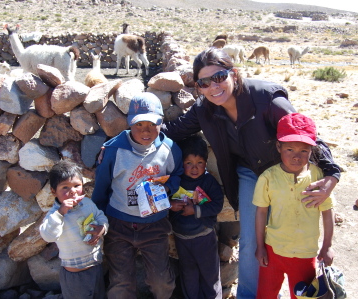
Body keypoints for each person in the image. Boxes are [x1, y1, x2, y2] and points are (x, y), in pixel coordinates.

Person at [161, 47, 341, 298]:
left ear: (233, 73)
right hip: (249, 174)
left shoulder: (266, 99)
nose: (214, 86)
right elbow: (174, 130)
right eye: (204, 82)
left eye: (219, 77)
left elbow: (308, 137)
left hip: (285, 173)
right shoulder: (205, 109)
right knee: (249, 241)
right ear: (199, 88)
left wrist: (332, 175)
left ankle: (297, 289)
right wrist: (127, 139)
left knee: (292, 233)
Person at [91, 92, 183, 299]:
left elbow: (177, 175)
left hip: (155, 224)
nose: (146, 131)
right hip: (119, 225)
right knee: (121, 282)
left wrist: (167, 189)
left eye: (152, 124)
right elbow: (101, 189)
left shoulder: (169, 149)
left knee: (161, 281)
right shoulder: (114, 150)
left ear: (161, 122)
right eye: (139, 124)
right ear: (129, 123)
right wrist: (100, 218)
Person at [253, 113, 334, 299]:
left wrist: (327, 245)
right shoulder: (268, 177)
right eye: (289, 149)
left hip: (305, 254)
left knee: (302, 296)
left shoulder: (319, 178)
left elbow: (328, 212)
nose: (296, 157)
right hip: (273, 250)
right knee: (265, 295)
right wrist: (260, 246)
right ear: (278, 146)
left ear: (312, 151)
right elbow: (261, 212)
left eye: (303, 151)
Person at [39, 160, 108, 299]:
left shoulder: (87, 204)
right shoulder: (55, 214)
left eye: (77, 186)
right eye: (65, 187)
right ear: (54, 191)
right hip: (74, 275)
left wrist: (102, 228)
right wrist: (61, 212)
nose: (72, 191)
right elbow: (48, 236)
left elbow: (100, 216)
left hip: (95, 267)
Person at [169, 134, 224, 299]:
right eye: (189, 163)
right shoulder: (175, 182)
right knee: (188, 274)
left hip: (204, 237)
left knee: (210, 275)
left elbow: (217, 205)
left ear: (206, 163)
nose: (194, 168)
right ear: (181, 163)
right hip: (181, 238)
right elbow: (161, 200)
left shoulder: (208, 182)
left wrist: (196, 211)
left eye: (199, 163)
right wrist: (171, 205)